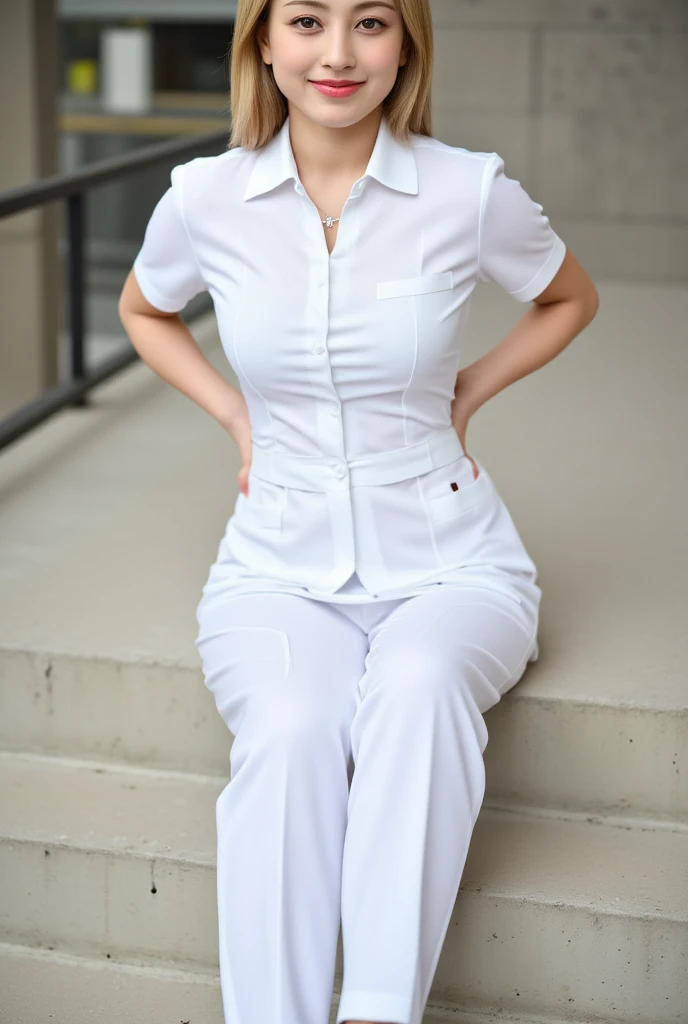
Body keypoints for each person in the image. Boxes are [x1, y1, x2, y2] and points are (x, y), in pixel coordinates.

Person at [118, 1, 599, 1021]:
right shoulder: (207, 198)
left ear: (406, 44)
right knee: (290, 733)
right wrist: (233, 414)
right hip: (274, 568)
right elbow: (144, 308)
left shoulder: (467, 191)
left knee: (418, 685)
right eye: (306, 21)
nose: (337, 53)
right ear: (262, 42)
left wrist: (468, 389)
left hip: (454, 563)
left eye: (370, 21)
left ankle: (378, 1011)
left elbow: (568, 297)